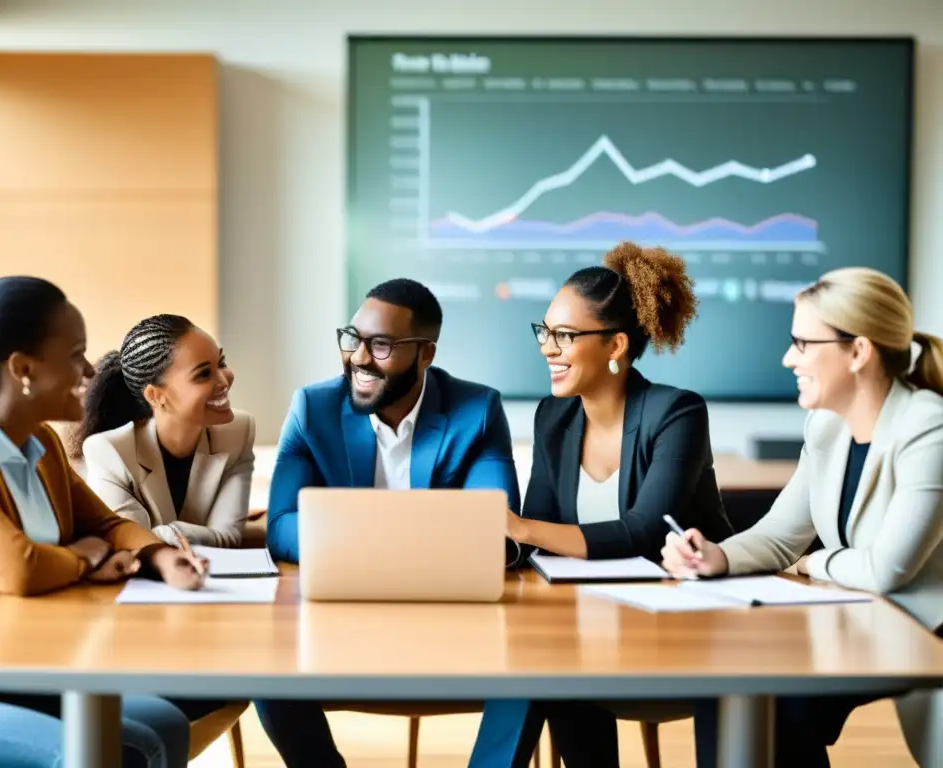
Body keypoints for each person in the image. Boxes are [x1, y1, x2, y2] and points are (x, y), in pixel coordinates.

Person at [0, 273, 208, 767]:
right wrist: (80, 562)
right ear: (23, 368)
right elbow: (18, 567)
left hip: (22, 665)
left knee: (162, 724)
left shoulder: (42, 443)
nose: (92, 368)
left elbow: (104, 524)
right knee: (77, 753)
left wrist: (159, 555)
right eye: (75, 353)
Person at [660, 267, 943, 768]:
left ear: (858, 352)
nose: (788, 358)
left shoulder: (928, 427)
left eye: (803, 344)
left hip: (925, 632)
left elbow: (888, 570)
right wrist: (715, 556)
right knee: (730, 688)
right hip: (868, 624)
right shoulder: (826, 427)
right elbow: (778, 536)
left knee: (784, 706)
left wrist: (815, 564)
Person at [471, 242, 735, 767]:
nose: (548, 347)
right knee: (540, 660)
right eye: (544, 332)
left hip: (686, 624)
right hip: (589, 621)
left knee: (555, 663)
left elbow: (643, 531)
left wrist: (519, 527)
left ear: (615, 345)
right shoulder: (554, 417)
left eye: (564, 336)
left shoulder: (676, 412)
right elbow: (539, 533)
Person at [258, 277, 522, 767]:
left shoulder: (476, 411)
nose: (358, 357)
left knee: (532, 672)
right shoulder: (313, 408)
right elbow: (280, 527)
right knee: (266, 671)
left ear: (425, 354)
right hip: (338, 618)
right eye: (353, 338)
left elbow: (495, 529)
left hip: (455, 620)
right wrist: (409, 541)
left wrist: (351, 535)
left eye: (380, 345)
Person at [70, 314, 256, 549]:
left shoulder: (238, 432)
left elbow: (227, 537)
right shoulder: (108, 451)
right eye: (203, 374)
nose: (225, 380)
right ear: (156, 396)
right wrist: (170, 535)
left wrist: (166, 533)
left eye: (222, 362)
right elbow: (135, 543)